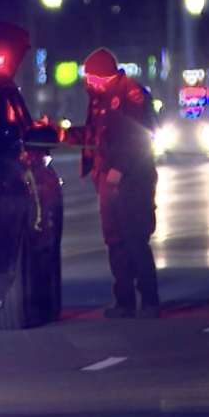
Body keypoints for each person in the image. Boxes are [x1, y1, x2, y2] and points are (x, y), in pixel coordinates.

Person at [71, 48, 161, 318]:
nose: (87, 82)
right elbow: (92, 135)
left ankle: (150, 301)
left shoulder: (131, 95)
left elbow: (141, 138)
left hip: (134, 183)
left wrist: (120, 169)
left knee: (135, 239)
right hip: (107, 183)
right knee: (115, 241)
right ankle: (124, 302)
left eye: (90, 77)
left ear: (100, 76)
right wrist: (59, 133)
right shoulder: (99, 99)